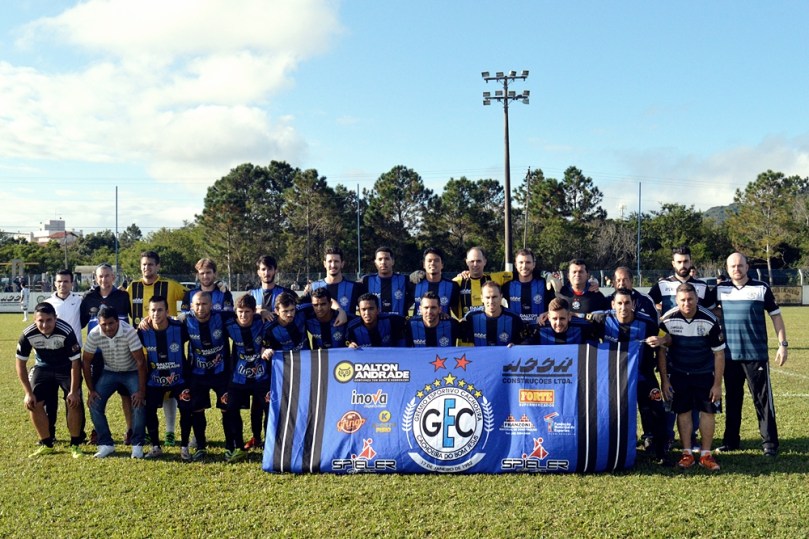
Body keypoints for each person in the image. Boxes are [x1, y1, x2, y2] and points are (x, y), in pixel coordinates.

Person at [716, 252, 787, 457]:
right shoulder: (720, 289)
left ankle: (770, 444)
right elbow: (707, 309)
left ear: (747, 267)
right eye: (732, 266)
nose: (736, 269)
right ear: (727, 269)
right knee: (733, 399)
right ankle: (731, 441)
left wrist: (782, 344)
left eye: (740, 265)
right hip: (730, 356)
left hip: (756, 355)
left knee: (762, 400)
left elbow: (776, 316)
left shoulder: (760, 288)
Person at [592, 288, 669, 464]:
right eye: (619, 303)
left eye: (627, 303)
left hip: (643, 376)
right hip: (615, 379)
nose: (623, 307)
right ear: (613, 304)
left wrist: (662, 340)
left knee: (656, 411)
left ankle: (661, 452)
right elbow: (579, 318)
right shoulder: (602, 319)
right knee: (610, 414)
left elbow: (668, 339)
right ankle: (615, 449)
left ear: (633, 304)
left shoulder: (647, 322)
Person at [657, 283, 725, 471]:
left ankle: (706, 454)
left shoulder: (710, 319)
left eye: (690, 299)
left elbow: (719, 354)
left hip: (705, 373)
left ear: (696, 299)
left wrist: (717, 384)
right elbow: (661, 352)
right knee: (683, 412)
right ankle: (687, 453)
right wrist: (665, 380)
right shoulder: (667, 320)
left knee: (708, 412)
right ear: (676, 301)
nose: (687, 303)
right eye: (683, 300)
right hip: (679, 373)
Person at [126, 250, 187, 447]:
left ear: (158, 266)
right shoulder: (132, 288)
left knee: (170, 389)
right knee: (144, 392)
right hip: (141, 350)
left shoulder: (170, 286)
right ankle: (142, 432)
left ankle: (169, 432)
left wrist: (182, 315)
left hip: (169, 347)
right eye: (144, 264)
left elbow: (193, 296)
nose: (147, 267)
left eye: (151, 264)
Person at [16, 302, 84, 458]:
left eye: (49, 320)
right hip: (43, 367)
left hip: (66, 367)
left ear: (55, 319)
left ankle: (75, 444)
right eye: (40, 321)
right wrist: (28, 393)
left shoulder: (66, 331)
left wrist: (74, 392)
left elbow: (75, 362)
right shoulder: (27, 334)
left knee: (73, 401)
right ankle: (46, 443)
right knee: (33, 403)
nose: (45, 325)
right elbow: (20, 364)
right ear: (34, 320)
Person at [82, 305, 147, 459]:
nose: (108, 327)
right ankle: (106, 444)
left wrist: (141, 391)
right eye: (103, 324)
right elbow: (86, 361)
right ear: (99, 323)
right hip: (109, 371)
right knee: (94, 403)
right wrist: (91, 390)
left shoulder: (129, 332)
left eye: (111, 323)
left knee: (138, 403)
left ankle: (137, 444)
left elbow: (140, 362)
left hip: (131, 371)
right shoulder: (94, 333)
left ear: (117, 321)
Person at [80, 263, 134, 444]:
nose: (104, 279)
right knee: (95, 392)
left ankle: (130, 430)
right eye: (100, 276)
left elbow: (134, 319)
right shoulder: (88, 297)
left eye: (107, 275)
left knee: (126, 394)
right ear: (96, 278)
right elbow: (79, 322)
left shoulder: (123, 296)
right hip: (97, 353)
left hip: (121, 352)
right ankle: (97, 430)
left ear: (113, 277)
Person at [137, 296, 191, 460]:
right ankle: (155, 446)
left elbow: (196, 319)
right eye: (152, 310)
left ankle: (184, 447)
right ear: (148, 312)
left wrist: (182, 316)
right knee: (149, 410)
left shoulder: (179, 328)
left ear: (167, 312)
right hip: (154, 380)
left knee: (186, 409)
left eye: (160, 310)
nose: (156, 314)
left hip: (180, 379)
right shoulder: (143, 331)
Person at [223, 294, 272, 463]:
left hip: (261, 377)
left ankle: (269, 445)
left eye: (247, 312)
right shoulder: (229, 324)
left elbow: (277, 321)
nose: (243, 315)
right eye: (240, 312)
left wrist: (263, 311)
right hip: (238, 377)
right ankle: (238, 446)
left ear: (253, 312)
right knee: (231, 409)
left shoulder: (261, 322)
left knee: (269, 410)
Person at [184, 291, 233, 461]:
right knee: (197, 410)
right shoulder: (185, 320)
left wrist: (261, 312)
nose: (201, 308)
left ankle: (230, 446)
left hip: (221, 373)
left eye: (204, 304)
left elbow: (245, 314)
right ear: (192, 306)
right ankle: (201, 447)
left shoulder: (223, 317)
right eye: (197, 304)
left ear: (211, 305)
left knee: (227, 409)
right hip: (197, 374)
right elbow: (165, 323)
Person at [648, 246, 716, 315]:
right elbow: (647, 303)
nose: (682, 265)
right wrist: (659, 311)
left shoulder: (702, 286)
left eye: (686, 261)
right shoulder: (663, 284)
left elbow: (711, 310)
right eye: (679, 262)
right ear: (673, 264)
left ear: (690, 262)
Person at [460, 282, 526, 347]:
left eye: (494, 297)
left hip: (505, 354)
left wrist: (517, 346)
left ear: (501, 296)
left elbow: (525, 341)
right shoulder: (471, 317)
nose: (491, 301)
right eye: (487, 297)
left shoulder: (514, 318)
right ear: (482, 298)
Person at [453, 246, 512, 317]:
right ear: (467, 262)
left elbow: (520, 273)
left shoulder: (494, 278)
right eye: (472, 261)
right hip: (466, 324)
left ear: (485, 261)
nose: (475, 264)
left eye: (478, 261)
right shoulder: (457, 282)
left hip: (490, 323)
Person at [502, 248, 555, 324]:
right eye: (521, 262)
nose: (524, 266)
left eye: (528, 262)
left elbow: (558, 305)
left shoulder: (545, 283)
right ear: (516, 265)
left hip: (541, 328)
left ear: (534, 264)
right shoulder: (507, 285)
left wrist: (549, 313)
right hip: (516, 329)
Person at [309, 246, 363, 314]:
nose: (333, 265)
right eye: (330, 261)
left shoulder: (354, 287)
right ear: (324, 264)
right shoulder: (314, 287)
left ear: (342, 264)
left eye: (336, 261)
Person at [361, 247, 413, 317]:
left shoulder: (404, 279)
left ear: (393, 261)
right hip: (377, 323)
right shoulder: (367, 280)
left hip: (399, 322)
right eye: (380, 259)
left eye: (387, 259)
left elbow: (412, 299)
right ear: (375, 262)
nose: (383, 262)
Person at [412, 247, 460, 318]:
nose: (432, 263)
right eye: (429, 260)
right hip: (418, 325)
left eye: (436, 260)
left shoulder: (452, 286)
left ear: (442, 264)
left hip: (444, 325)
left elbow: (458, 313)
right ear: (424, 264)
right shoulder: (414, 284)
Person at [529, 298, 594, 345]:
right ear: (549, 318)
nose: (558, 323)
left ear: (569, 317)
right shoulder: (538, 329)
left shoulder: (582, 327)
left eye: (562, 318)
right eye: (554, 319)